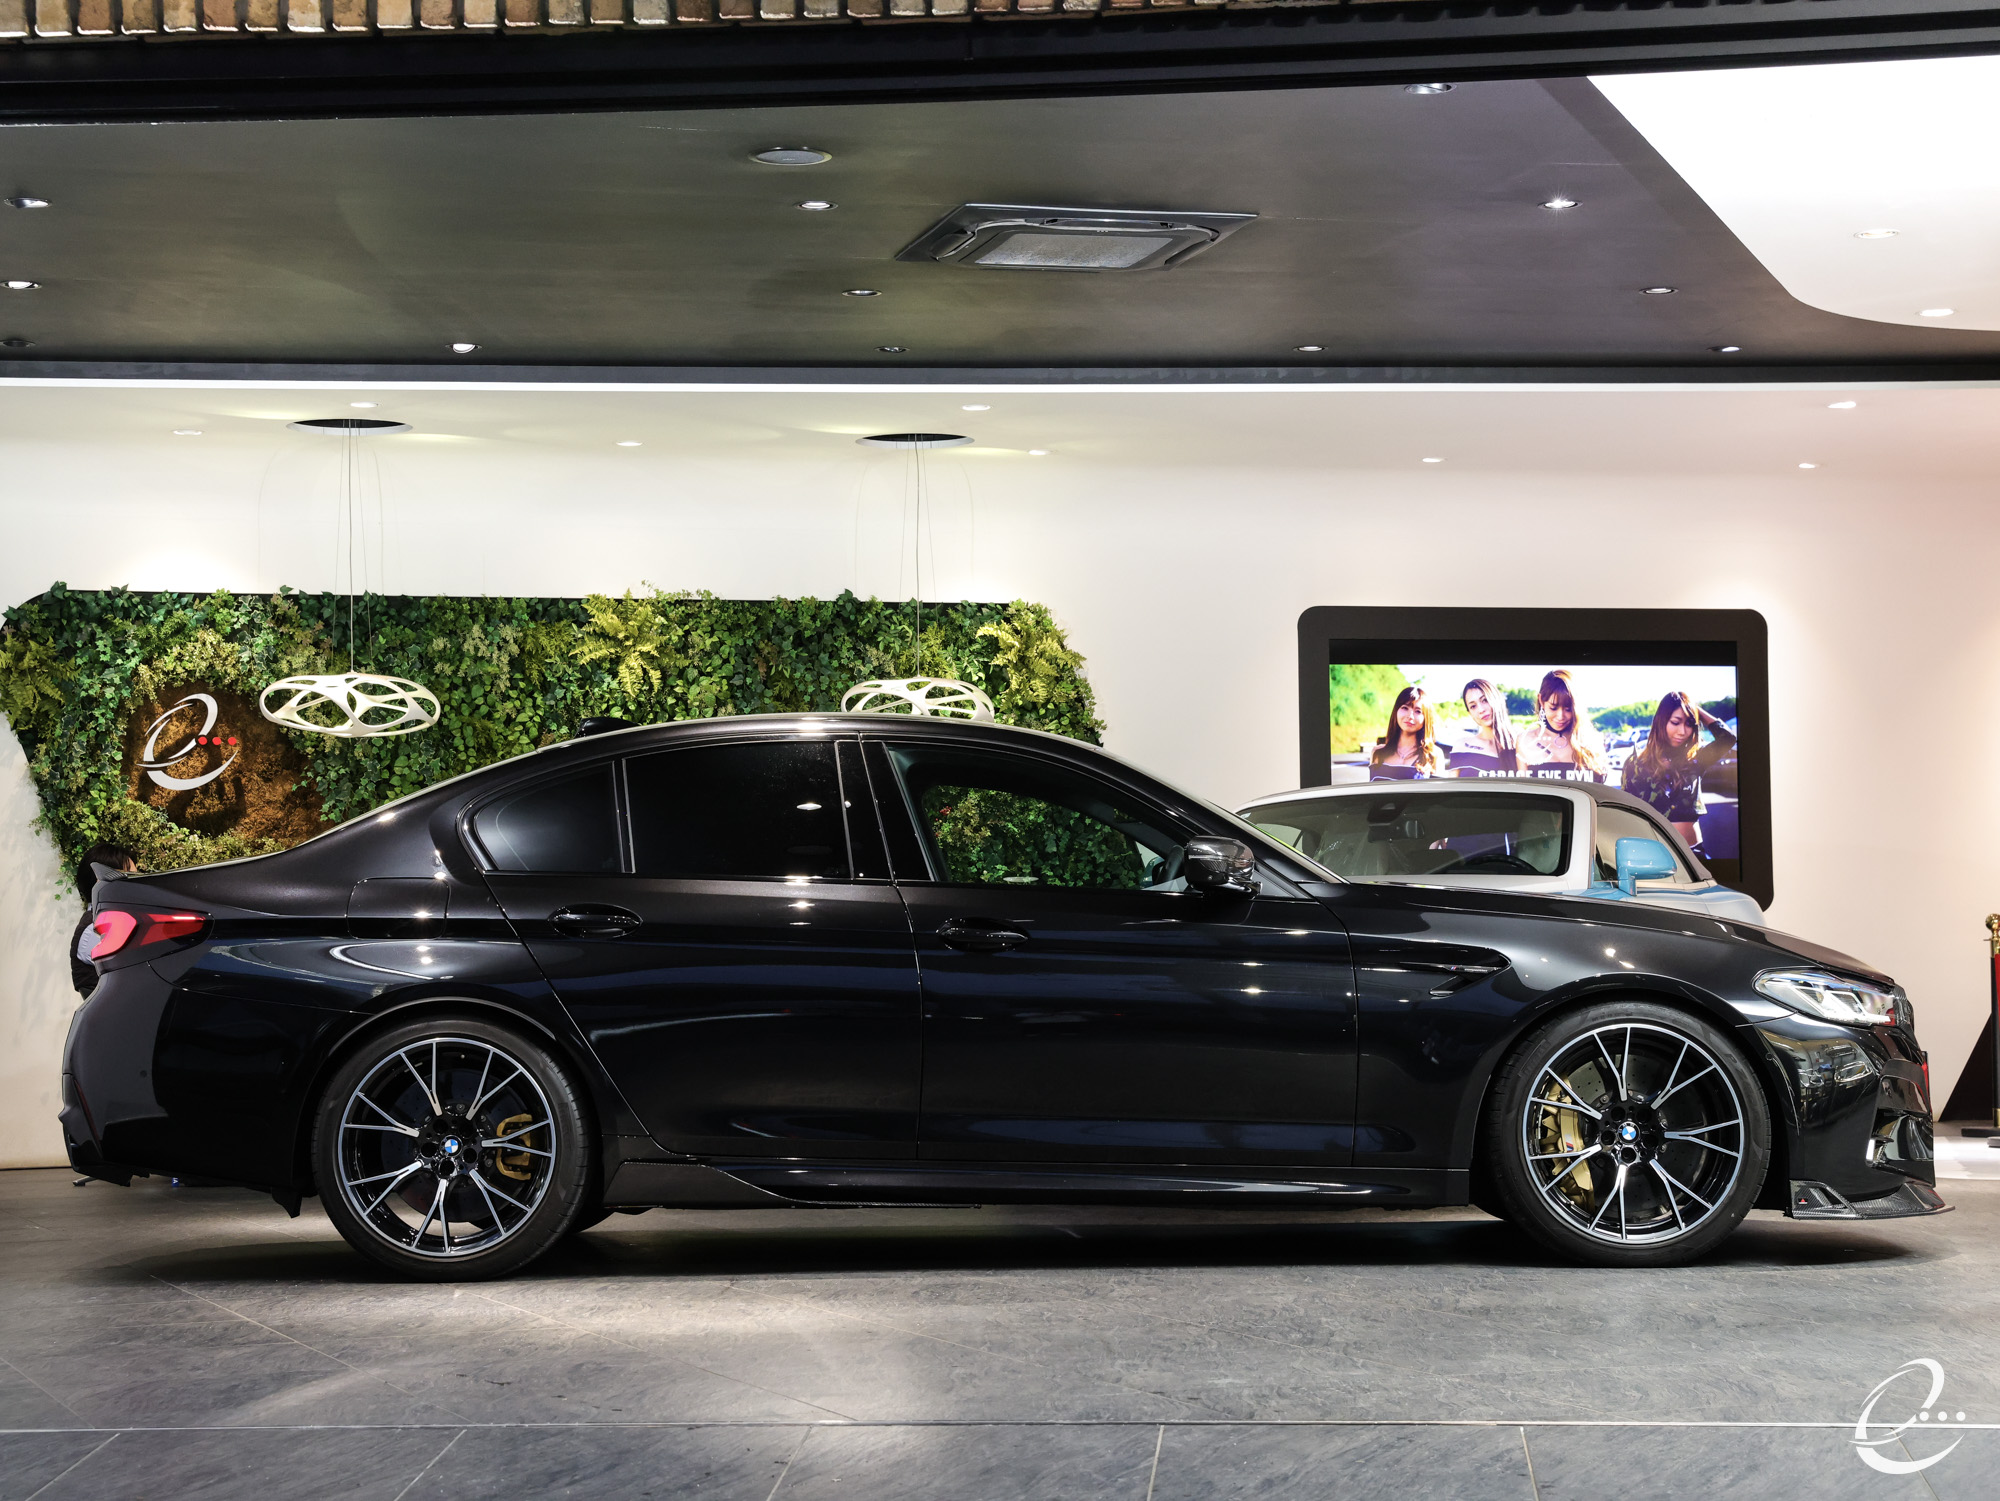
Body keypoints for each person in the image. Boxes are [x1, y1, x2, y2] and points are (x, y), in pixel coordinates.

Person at [1621, 691, 1737, 847]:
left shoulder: (1696, 759)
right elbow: (1626, 813)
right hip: (1651, 852)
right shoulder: (1635, 764)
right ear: (1661, 721)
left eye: (1689, 724)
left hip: (1693, 852)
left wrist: (1693, 708)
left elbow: (1728, 738)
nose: (1682, 731)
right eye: (1675, 722)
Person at [70, 843, 137, 998]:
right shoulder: (94, 930)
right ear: (101, 882)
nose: (137, 884)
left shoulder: (117, 919)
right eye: (129, 877)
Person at [1520, 669, 1607, 782]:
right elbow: (1524, 790)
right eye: (1553, 708)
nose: (1560, 716)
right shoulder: (1525, 740)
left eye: (1568, 709)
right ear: (1541, 700)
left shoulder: (1593, 741)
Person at [1370, 685, 1446, 780]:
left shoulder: (1434, 755)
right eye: (1405, 708)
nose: (1410, 716)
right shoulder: (1377, 752)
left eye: (1418, 711)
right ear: (1396, 711)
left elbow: (1439, 790)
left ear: (1426, 718)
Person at [1447, 678, 1520, 777]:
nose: (1481, 710)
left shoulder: (1521, 743)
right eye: (1473, 706)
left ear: (1497, 699)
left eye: (1485, 700)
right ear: (1470, 713)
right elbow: (1452, 785)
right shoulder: (1462, 746)